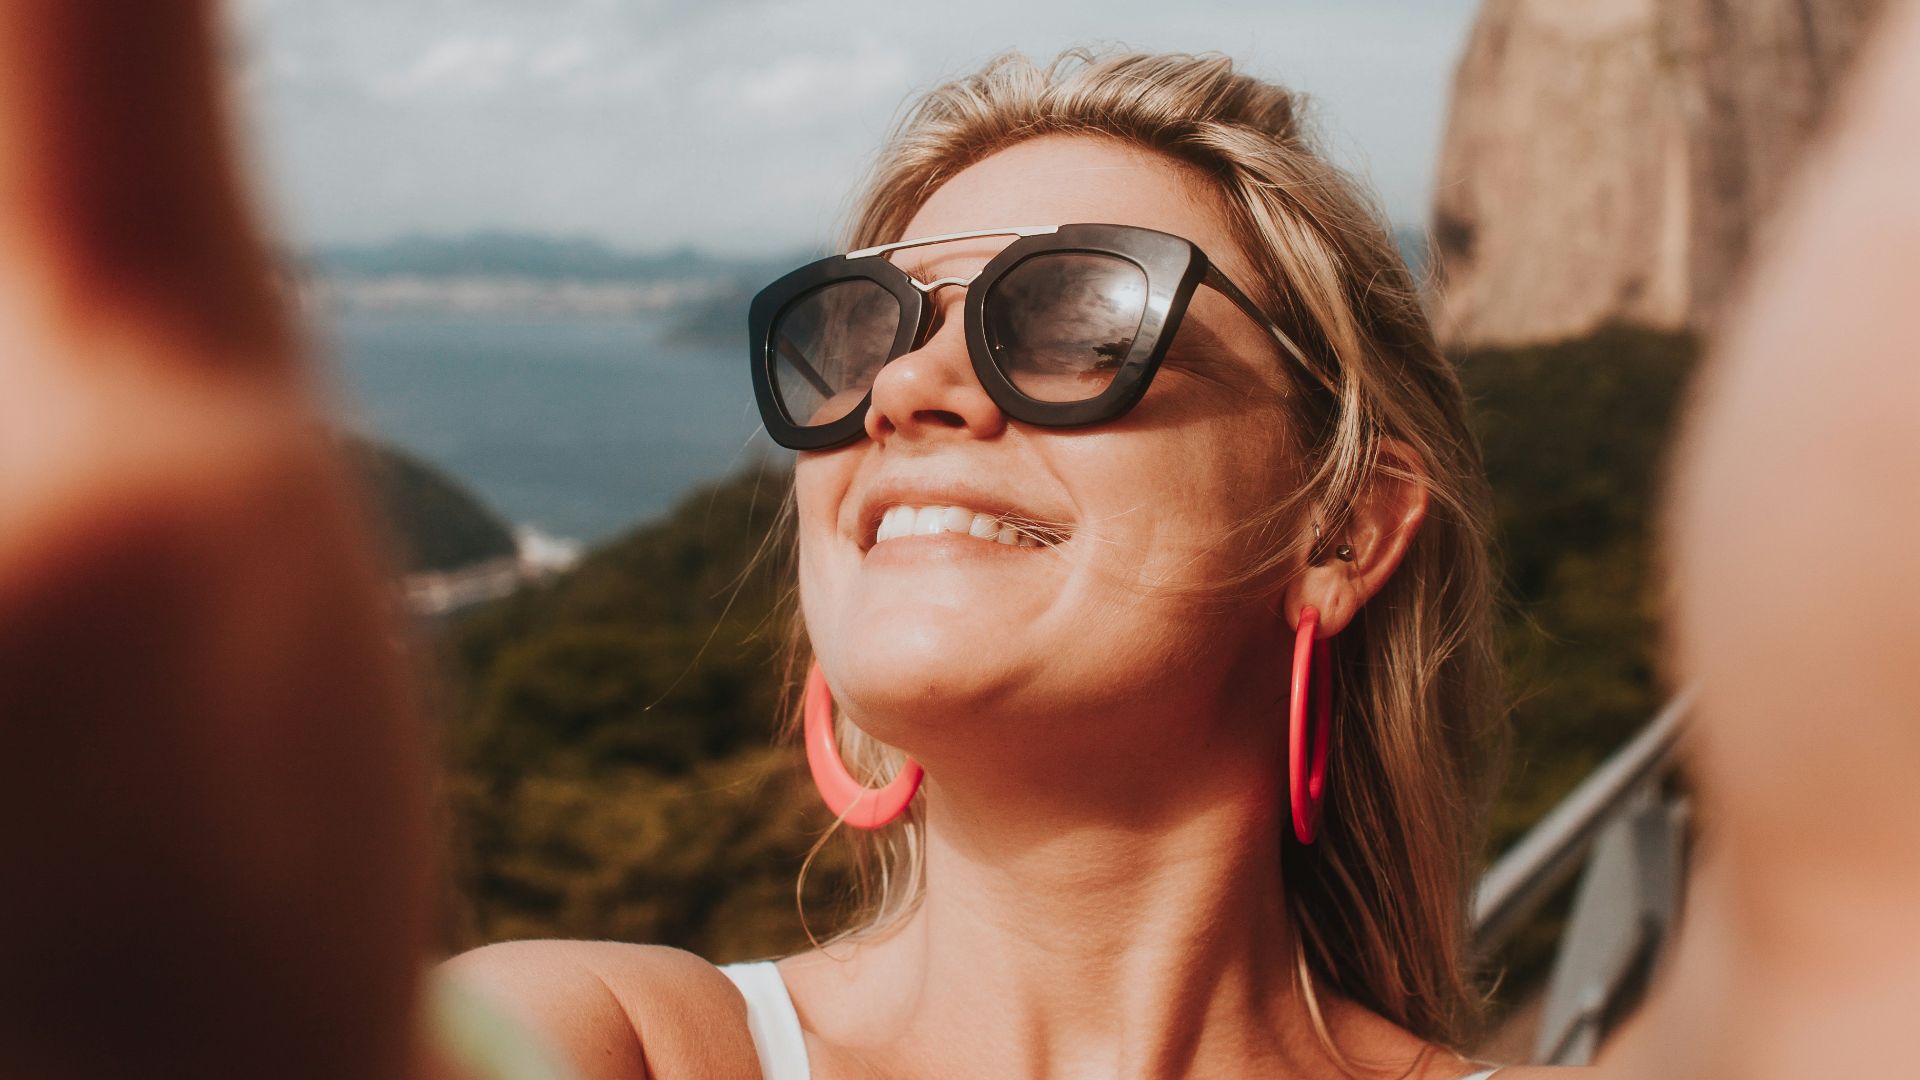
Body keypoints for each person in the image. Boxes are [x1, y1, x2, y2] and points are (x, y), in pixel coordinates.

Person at [4, 2, 1920, 1079]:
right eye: (856, 330)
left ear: (1347, 526)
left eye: (1075, 310)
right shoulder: (617, 1047)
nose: (912, 390)